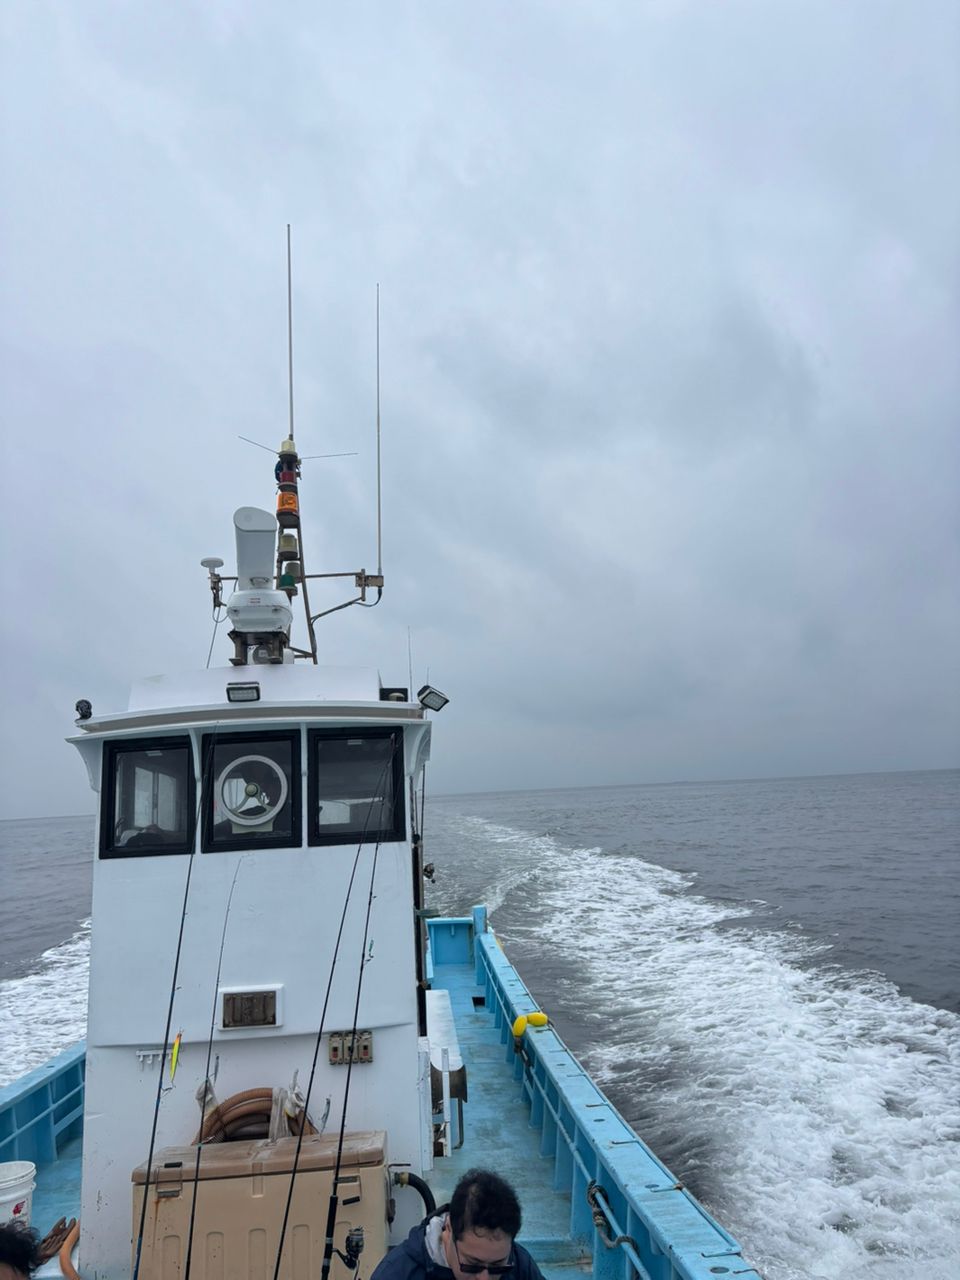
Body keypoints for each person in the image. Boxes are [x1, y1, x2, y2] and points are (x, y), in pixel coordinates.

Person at [371, 1169, 544, 1280]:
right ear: (448, 1230)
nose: (484, 1278)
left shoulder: (520, 1265)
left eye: (497, 1267)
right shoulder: (397, 1273)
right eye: (472, 1264)